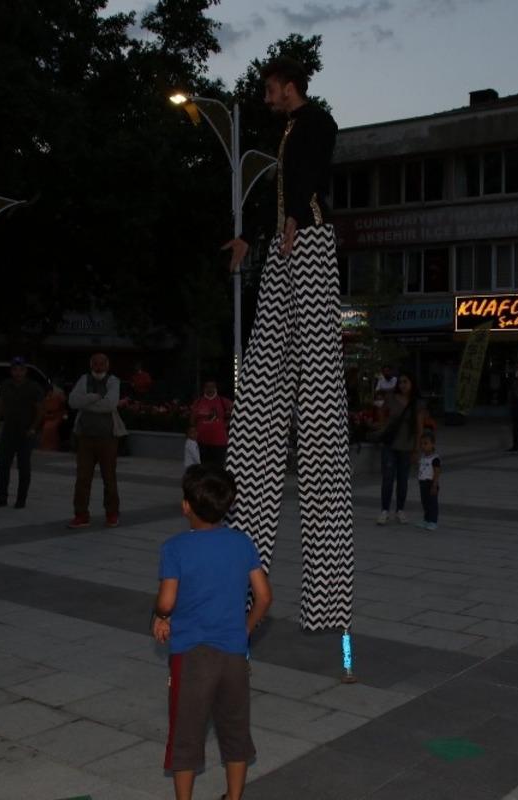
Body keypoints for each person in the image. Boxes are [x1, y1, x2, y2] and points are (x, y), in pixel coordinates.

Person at [219, 56, 354, 632]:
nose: (266, 96)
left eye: (271, 88)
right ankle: (242, 566)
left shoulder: (317, 122)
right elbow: (276, 190)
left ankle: (328, 600)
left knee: (319, 389)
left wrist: (296, 218)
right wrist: (254, 238)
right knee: (264, 380)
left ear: (290, 86)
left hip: (311, 240)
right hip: (283, 245)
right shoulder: (288, 131)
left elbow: (311, 176)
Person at [152, 464, 273, 800]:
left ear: (186, 506)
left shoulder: (175, 548)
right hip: (233, 655)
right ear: (227, 505)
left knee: (186, 734)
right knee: (234, 729)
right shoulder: (242, 543)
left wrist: (159, 615)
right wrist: (245, 629)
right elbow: (264, 597)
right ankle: (233, 797)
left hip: (191, 656)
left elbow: (167, 601)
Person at [67, 353, 125, 528]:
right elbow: (72, 401)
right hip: (85, 438)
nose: (98, 366)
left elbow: (110, 404)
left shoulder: (113, 381)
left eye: (102, 363)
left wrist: (85, 402)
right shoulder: (83, 379)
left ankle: (112, 514)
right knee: (82, 478)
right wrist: (94, 397)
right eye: (95, 363)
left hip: (108, 438)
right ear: (91, 364)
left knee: (109, 478)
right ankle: (81, 514)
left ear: (107, 365)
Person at [0, 357, 44, 509]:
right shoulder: (6, 385)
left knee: (24, 467)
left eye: (21, 370)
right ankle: (2, 496)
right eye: (15, 369)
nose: (18, 373)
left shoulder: (34, 387)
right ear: (11, 371)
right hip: (8, 431)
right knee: (3, 466)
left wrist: (33, 428)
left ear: (25, 371)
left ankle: (21, 499)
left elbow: (40, 410)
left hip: (26, 432)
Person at [376, 374, 424, 526]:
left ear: (412, 383)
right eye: (401, 382)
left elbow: (419, 428)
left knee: (403, 480)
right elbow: (381, 411)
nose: (403, 385)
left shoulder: (417, 403)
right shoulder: (391, 397)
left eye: (406, 381)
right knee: (388, 478)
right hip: (390, 444)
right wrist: (383, 427)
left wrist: (416, 449)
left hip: (406, 446)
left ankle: (400, 510)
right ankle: (384, 510)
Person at [190, 379, 233, 467]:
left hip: (219, 442)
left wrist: (225, 425)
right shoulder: (198, 402)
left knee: (218, 468)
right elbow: (192, 420)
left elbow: (236, 415)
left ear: (216, 388)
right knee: (204, 467)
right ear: (204, 389)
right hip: (201, 442)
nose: (210, 389)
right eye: (207, 387)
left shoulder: (224, 402)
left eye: (212, 387)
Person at [416, 432, 441, 531]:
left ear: (433, 444)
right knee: (425, 503)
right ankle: (426, 519)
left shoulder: (435, 459)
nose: (423, 446)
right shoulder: (422, 457)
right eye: (421, 444)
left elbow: (437, 472)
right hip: (423, 483)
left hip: (431, 483)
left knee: (432, 503)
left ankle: (433, 521)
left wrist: (434, 485)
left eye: (426, 443)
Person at [39, 378, 68, 451]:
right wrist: (46, 415)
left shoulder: (58, 397)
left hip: (57, 416)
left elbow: (63, 407)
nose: (49, 393)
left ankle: (54, 446)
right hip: (48, 417)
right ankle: (46, 446)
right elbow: (43, 410)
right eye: (48, 392)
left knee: (52, 427)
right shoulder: (44, 400)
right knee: (46, 427)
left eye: (50, 391)